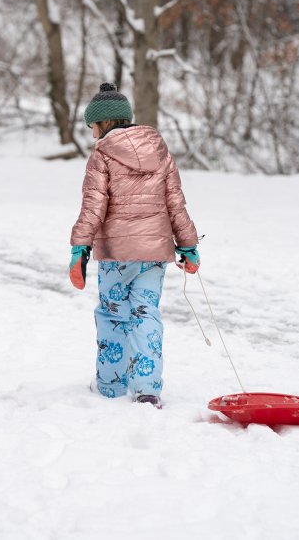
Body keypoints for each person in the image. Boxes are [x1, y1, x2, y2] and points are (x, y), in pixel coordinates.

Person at [69, 83, 200, 408]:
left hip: (116, 255)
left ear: (104, 123)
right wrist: (188, 243)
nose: (92, 133)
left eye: (92, 126)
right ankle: (147, 388)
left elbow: (93, 205)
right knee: (145, 313)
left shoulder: (101, 155)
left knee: (114, 313)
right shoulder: (160, 151)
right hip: (154, 254)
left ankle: (111, 385)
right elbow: (175, 203)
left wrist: (80, 246)